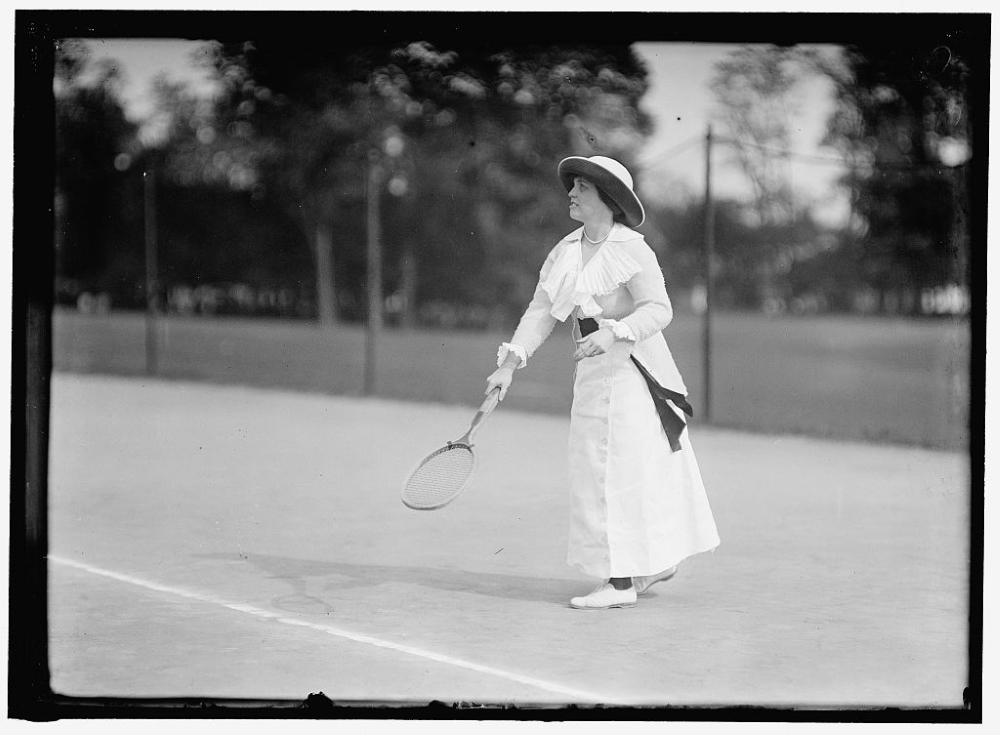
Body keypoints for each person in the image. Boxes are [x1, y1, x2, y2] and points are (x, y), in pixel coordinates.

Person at [486, 155, 720, 610]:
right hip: (592, 376)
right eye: (571, 186)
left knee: (618, 472)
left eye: (582, 188)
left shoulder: (633, 249)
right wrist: (509, 364)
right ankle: (650, 566)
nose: (571, 193)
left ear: (607, 198)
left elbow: (659, 309)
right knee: (599, 471)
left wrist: (614, 331)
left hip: (636, 377)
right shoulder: (564, 250)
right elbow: (541, 311)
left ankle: (620, 584)